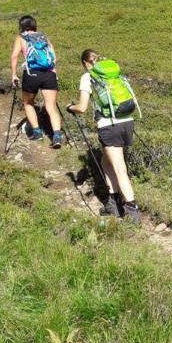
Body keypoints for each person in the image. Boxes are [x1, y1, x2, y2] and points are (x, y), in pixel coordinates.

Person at [66, 49, 141, 223]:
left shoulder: (88, 77)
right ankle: (112, 203)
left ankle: (132, 211)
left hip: (109, 125)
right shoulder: (113, 72)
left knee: (119, 168)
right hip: (127, 121)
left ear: (85, 63)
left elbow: (83, 108)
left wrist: (71, 107)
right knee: (105, 162)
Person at [10, 15, 62, 148]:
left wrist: (14, 75)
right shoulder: (44, 37)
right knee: (51, 106)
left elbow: (14, 56)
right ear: (34, 25)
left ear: (21, 26)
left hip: (31, 74)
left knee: (28, 103)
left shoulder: (21, 38)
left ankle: (37, 133)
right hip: (49, 74)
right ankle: (56, 136)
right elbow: (54, 58)